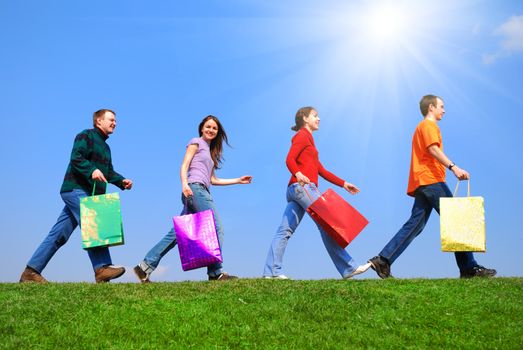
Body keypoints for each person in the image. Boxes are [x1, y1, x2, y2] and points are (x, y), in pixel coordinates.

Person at [368, 95, 496, 279]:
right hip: (431, 180)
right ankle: (470, 268)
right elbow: (433, 149)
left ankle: (383, 260)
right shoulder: (429, 126)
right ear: (431, 108)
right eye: (441, 106)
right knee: (457, 221)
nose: (443, 110)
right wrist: (454, 167)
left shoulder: (422, 127)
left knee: (415, 225)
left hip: (422, 182)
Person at [20, 109, 133, 283]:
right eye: (111, 119)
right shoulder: (85, 136)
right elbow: (76, 158)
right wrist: (92, 170)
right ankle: (102, 267)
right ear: (98, 121)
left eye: (115, 120)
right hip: (75, 189)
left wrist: (121, 181)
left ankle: (31, 271)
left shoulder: (106, 147)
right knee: (94, 223)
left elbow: (108, 172)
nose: (114, 123)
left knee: (59, 234)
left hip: (88, 194)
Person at [134, 115, 252, 282]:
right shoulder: (195, 142)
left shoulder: (211, 153)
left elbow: (213, 180)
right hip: (194, 189)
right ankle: (215, 272)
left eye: (214, 128)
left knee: (176, 233)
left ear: (217, 132)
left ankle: (144, 266)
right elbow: (184, 165)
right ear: (202, 128)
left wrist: (238, 180)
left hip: (200, 189)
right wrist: (185, 185)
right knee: (217, 226)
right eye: (208, 127)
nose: (211, 130)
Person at [263, 106, 371, 280]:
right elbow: (289, 158)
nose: (318, 118)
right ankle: (349, 267)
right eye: (315, 116)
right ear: (305, 119)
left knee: (284, 230)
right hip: (303, 187)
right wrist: (298, 173)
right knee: (327, 225)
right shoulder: (302, 136)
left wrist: (343, 184)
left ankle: (271, 272)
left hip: (295, 190)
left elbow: (321, 170)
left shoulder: (309, 141)